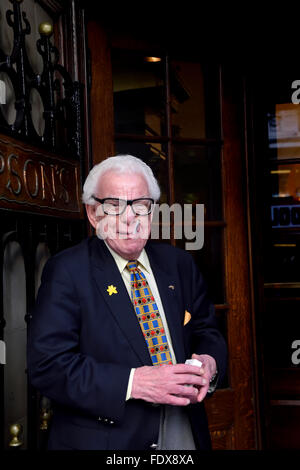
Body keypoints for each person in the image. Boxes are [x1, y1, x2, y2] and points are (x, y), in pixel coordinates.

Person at [27, 154, 227, 450]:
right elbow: (47, 365)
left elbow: (207, 332)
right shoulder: (67, 271)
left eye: (141, 205)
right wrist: (134, 383)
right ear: (94, 214)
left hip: (183, 427)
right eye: (115, 206)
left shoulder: (179, 264)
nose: (130, 217)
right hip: (108, 439)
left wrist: (209, 363)